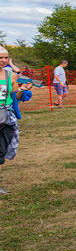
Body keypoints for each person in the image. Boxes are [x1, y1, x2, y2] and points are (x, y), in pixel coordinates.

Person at [0, 48, 20, 195]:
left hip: (6, 118)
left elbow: (15, 96)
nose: (3, 61)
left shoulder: (11, 76)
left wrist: (23, 89)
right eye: (1, 58)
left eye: (6, 58)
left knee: (1, 152)